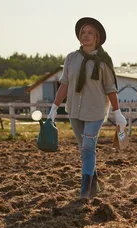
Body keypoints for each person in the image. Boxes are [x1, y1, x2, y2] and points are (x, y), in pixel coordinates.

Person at [47, 17, 127, 199]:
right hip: (74, 111)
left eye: (90, 33)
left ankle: (84, 192)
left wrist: (118, 113)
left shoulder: (104, 61)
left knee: (88, 149)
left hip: (96, 112)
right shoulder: (71, 58)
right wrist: (53, 109)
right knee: (84, 148)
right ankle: (95, 185)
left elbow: (110, 89)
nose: (86, 36)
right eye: (83, 32)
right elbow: (64, 85)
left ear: (97, 37)